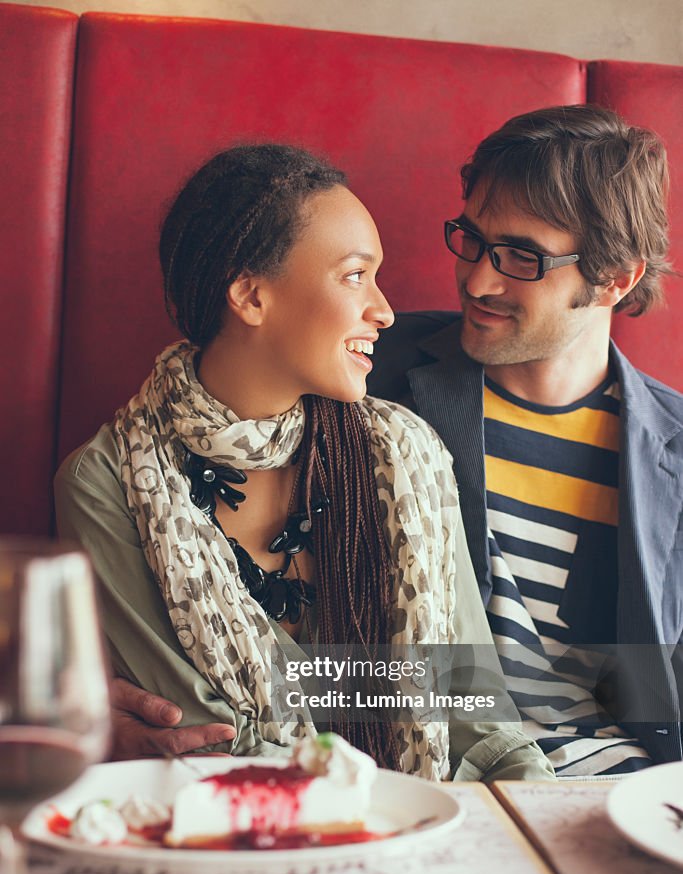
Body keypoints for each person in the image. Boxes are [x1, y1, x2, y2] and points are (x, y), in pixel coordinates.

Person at [55, 143, 553, 781]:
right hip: (239, 844)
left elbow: (480, 727)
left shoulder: (405, 453)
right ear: (251, 296)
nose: (385, 309)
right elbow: (211, 742)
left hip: (425, 833)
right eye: (355, 275)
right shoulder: (105, 484)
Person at [369, 104, 683, 776]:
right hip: (413, 771)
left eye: (521, 258)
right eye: (472, 239)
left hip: (613, 796)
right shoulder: (369, 365)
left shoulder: (673, 457)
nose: (478, 280)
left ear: (615, 278)